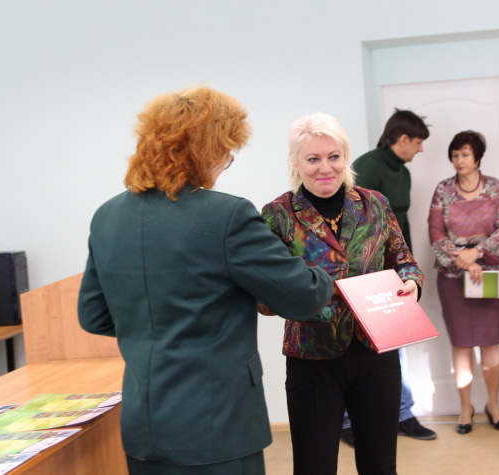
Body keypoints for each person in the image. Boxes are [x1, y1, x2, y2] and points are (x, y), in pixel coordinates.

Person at [77, 86, 334, 475]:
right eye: (226, 155)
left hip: (143, 427)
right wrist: (324, 269)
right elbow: (304, 297)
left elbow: (94, 316)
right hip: (219, 426)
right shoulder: (226, 216)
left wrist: (157, 325)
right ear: (208, 152)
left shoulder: (107, 216)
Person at [260, 112, 424, 475]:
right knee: (314, 467)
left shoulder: (375, 204)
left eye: (333, 156)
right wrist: (296, 295)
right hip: (312, 358)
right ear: (295, 162)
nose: (325, 168)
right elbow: (264, 295)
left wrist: (411, 282)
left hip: (375, 352)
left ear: (345, 157)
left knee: (380, 466)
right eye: (313, 159)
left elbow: (403, 261)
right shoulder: (277, 215)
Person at [345, 109, 436, 444]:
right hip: (365, 275)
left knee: (396, 345)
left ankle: (402, 415)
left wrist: (407, 268)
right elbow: (352, 222)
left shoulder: (403, 173)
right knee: (354, 348)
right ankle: (347, 422)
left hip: (393, 272)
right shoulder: (368, 166)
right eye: (419, 142)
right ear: (403, 139)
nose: (421, 149)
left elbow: (400, 225)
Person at [428, 130, 499, 434]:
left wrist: (477, 253)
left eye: (465, 154)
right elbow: (435, 233)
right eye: (455, 155)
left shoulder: (494, 187)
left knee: (490, 342)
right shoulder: (443, 190)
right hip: (453, 278)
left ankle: (494, 405)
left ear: (477, 157)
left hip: (491, 274)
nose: (459, 160)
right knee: (462, 344)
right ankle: (466, 408)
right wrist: (463, 259)